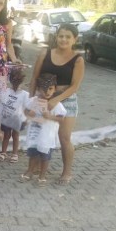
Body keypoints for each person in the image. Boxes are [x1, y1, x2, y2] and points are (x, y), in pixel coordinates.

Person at [29, 23, 84, 185]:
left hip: (67, 101)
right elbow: (34, 78)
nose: (64, 39)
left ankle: (67, 172)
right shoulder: (45, 53)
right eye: (61, 36)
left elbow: (75, 86)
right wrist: (31, 100)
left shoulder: (78, 59)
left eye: (68, 37)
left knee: (64, 137)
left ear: (75, 39)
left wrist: (56, 99)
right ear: (56, 37)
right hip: (42, 100)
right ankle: (37, 165)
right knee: (40, 131)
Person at [20, 73, 66, 187]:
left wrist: (49, 116)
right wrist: (28, 113)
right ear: (39, 89)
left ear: (55, 89)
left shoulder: (55, 104)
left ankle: (42, 176)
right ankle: (30, 171)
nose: (47, 92)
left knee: (45, 157)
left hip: (47, 137)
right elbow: (26, 110)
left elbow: (62, 119)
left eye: (50, 89)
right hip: (34, 134)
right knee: (33, 155)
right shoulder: (34, 100)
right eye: (44, 89)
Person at [0, 68, 29, 163]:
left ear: (21, 81)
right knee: (6, 135)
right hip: (7, 117)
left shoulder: (25, 94)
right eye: (14, 80)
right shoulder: (6, 91)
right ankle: (3, 152)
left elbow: (27, 107)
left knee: (15, 135)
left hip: (18, 119)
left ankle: (15, 153)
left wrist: (26, 119)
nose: (16, 83)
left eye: (18, 80)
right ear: (10, 80)